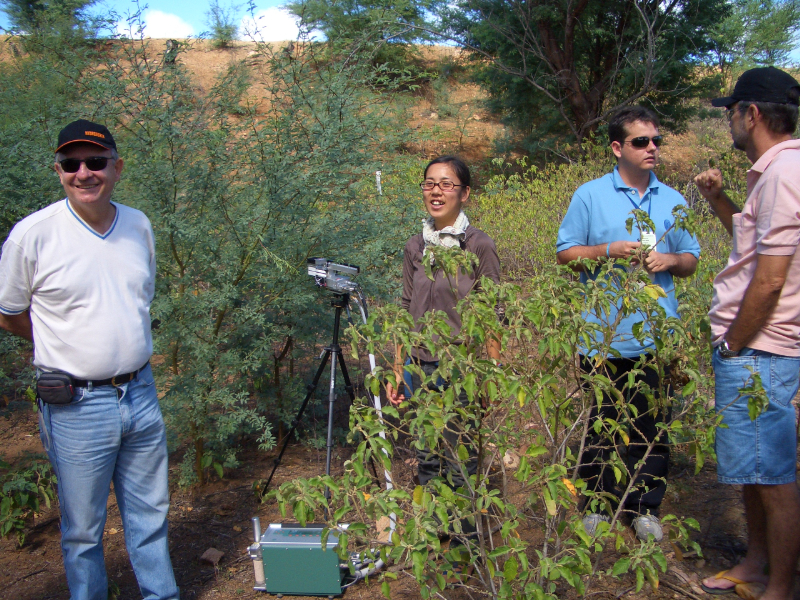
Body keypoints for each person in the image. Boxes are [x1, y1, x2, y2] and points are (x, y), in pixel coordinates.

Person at [0, 120, 179, 600]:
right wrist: (63, 344)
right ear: (58, 171)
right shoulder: (32, 235)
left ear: (116, 168)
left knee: (150, 515)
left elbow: (139, 298)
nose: (84, 173)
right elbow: (10, 313)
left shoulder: (138, 224)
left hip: (140, 393)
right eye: (71, 164)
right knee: (83, 531)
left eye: (96, 162)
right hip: (76, 405)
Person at [556, 106, 700, 542]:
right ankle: (597, 504)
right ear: (618, 148)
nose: (652, 148)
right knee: (600, 421)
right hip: (601, 335)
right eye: (641, 141)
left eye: (656, 140)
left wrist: (670, 260)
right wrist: (607, 250)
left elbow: (690, 260)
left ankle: (643, 508)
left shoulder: (673, 200)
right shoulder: (589, 195)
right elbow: (565, 254)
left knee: (650, 425)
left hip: (656, 336)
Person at [694, 67, 800, 600]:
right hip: (754, 346)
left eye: (732, 111)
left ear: (752, 114)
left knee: (774, 475)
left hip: (759, 349)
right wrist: (720, 199)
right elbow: (755, 249)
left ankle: (779, 585)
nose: (730, 121)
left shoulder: (785, 174)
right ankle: (756, 564)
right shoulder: (773, 173)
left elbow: (772, 278)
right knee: (756, 468)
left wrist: (734, 342)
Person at [386, 155, 501, 495]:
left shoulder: (479, 244)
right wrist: (397, 369)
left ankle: (463, 539)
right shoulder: (415, 246)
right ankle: (433, 536)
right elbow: (406, 307)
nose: (436, 191)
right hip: (419, 366)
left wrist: (490, 373)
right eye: (429, 184)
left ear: (464, 193)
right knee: (426, 456)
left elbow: (494, 310)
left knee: (460, 455)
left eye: (446, 184)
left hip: (461, 366)